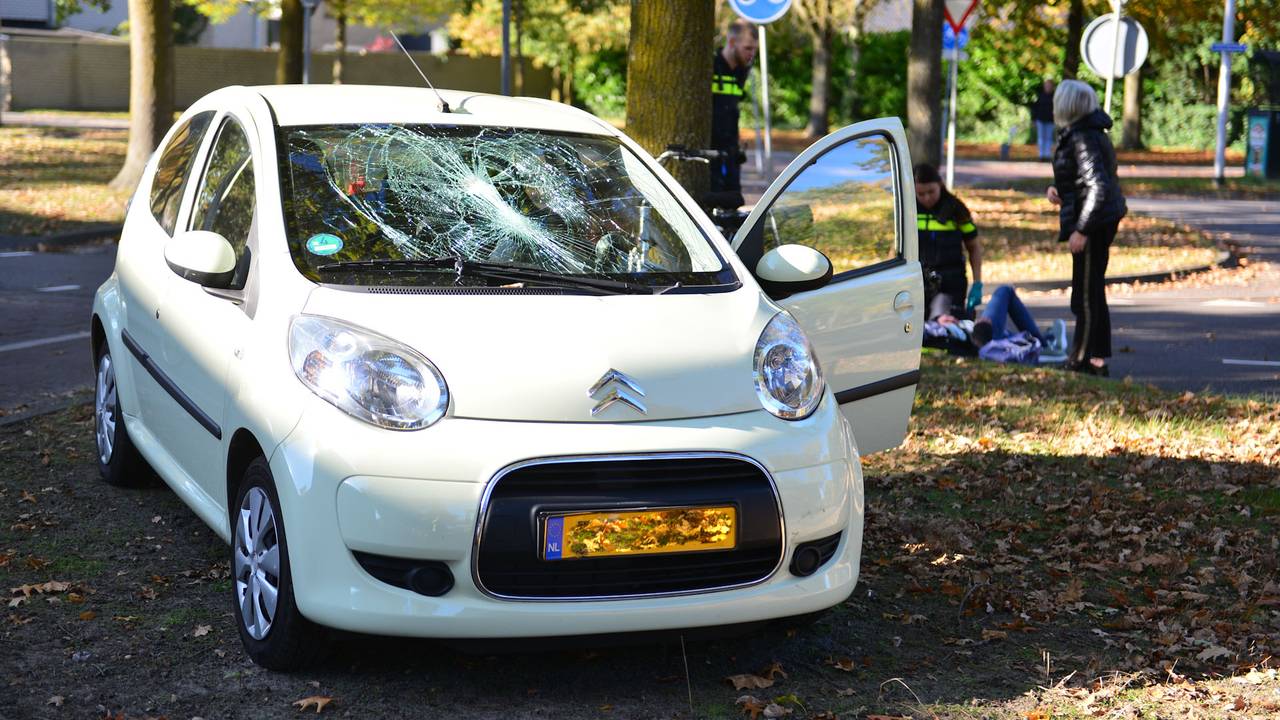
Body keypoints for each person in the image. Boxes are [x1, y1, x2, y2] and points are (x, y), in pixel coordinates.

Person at [1046, 79, 1127, 377]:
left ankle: (1082, 358)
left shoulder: (1082, 136)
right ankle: (1094, 357)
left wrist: (1081, 229)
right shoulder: (1086, 133)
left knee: (1086, 294)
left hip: (1094, 222)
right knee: (1089, 290)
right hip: (1096, 218)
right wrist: (1059, 189)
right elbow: (1084, 179)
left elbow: (1098, 187)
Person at [926, 285, 1068, 364]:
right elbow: (969, 346)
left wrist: (937, 319)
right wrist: (980, 330)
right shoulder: (920, 337)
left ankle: (1047, 341)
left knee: (1008, 335)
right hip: (980, 338)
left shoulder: (922, 330)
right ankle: (1043, 346)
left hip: (968, 329)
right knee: (1004, 291)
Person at [914, 163, 983, 321]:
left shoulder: (955, 209)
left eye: (931, 192)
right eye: (921, 194)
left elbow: (974, 247)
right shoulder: (909, 210)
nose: (927, 198)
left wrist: (977, 282)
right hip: (919, 283)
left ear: (940, 184)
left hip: (951, 283)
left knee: (943, 324)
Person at [710, 20, 757, 198]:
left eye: (754, 49)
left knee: (733, 201)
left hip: (730, 152)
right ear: (731, 42)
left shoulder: (741, 72)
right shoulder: (711, 67)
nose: (752, 54)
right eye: (747, 48)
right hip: (709, 152)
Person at [1029, 79, 1057, 161]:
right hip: (1040, 120)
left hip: (1050, 120)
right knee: (1041, 138)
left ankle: (1047, 155)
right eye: (1046, 85)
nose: (1048, 87)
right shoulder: (1040, 96)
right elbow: (1035, 108)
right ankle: (1041, 155)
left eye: (1049, 86)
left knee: (1048, 138)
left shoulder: (1055, 97)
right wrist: (1033, 119)